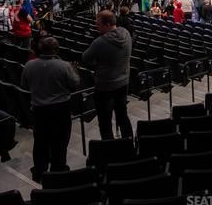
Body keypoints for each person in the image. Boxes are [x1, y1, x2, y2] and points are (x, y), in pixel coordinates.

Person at [21, 37, 80, 182]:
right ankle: (58, 172)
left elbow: (24, 86)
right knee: (60, 142)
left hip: (39, 111)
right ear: (56, 50)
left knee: (40, 141)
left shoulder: (29, 65)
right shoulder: (64, 66)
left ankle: (40, 171)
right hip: (60, 110)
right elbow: (75, 84)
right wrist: (75, 70)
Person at [82, 11, 133, 140]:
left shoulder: (100, 42)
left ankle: (110, 150)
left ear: (108, 24)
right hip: (123, 82)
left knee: (105, 121)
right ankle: (129, 143)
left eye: (98, 24)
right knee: (123, 115)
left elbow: (85, 58)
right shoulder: (126, 33)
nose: (96, 27)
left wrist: (98, 62)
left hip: (105, 86)